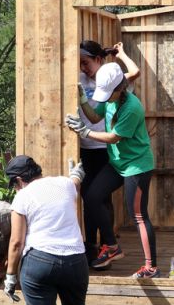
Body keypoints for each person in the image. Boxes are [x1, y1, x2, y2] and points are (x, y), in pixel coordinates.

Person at [4, 154, 100, 305]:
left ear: (19, 180)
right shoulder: (63, 184)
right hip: (76, 261)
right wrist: (77, 173)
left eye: (13, 183)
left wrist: (10, 277)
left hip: (40, 263)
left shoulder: (22, 196)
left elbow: (16, 243)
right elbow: (75, 181)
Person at [65, 61, 159, 279]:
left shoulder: (132, 107)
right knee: (91, 197)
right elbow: (96, 117)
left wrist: (84, 132)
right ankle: (112, 245)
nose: (105, 97)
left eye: (108, 93)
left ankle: (151, 267)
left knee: (138, 215)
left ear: (120, 88)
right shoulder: (110, 99)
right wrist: (81, 101)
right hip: (117, 163)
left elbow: (114, 136)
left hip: (136, 166)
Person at [78, 40, 140, 263]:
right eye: (80, 63)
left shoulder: (113, 81)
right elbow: (93, 115)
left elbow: (134, 71)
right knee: (90, 197)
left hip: (106, 148)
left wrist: (121, 53)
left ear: (98, 60)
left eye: (86, 62)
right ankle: (93, 247)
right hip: (86, 149)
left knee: (100, 198)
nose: (83, 68)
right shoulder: (78, 79)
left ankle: (108, 245)